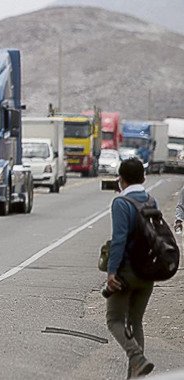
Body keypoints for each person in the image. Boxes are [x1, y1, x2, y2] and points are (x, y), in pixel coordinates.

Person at [105, 157, 156, 378]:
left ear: (121, 180)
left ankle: (136, 358)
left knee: (114, 319)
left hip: (126, 272)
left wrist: (111, 272)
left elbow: (119, 240)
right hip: (149, 271)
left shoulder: (121, 203)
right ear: (143, 178)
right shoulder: (150, 200)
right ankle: (136, 375)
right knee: (136, 322)